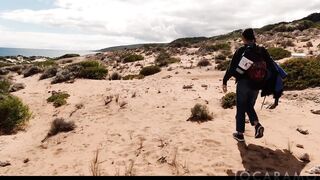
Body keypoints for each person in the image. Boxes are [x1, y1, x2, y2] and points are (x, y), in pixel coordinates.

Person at [222, 28, 277, 142]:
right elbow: (271, 65)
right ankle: (256, 125)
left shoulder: (241, 50)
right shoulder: (262, 50)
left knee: (241, 107)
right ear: (253, 37)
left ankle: (240, 134)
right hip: (257, 84)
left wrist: (225, 81)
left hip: (243, 83)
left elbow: (232, 68)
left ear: (244, 38)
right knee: (249, 106)